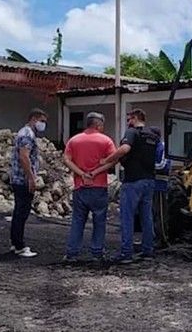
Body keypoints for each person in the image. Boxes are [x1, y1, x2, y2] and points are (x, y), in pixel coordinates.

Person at [98, 108, 159, 263]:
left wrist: (106, 160)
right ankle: (148, 249)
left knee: (127, 216)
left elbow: (125, 149)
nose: (127, 122)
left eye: (128, 119)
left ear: (134, 118)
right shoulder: (152, 136)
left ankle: (126, 252)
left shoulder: (132, 133)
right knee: (147, 216)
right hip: (149, 180)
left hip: (133, 181)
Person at [62, 112, 116, 264]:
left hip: (80, 187)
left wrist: (81, 173)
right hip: (99, 187)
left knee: (78, 221)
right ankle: (97, 253)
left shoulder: (74, 140)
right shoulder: (106, 141)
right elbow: (113, 161)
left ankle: (72, 253)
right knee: (99, 221)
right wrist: (94, 172)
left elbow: (66, 159)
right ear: (99, 125)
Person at [9, 108, 47, 258]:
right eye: (42, 121)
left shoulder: (24, 133)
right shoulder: (27, 134)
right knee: (22, 212)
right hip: (22, 179)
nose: (43, 125)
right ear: (34, 119)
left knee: (19, 212)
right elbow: (24, 157)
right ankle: (19, 246)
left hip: (19, 178)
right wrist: (31, 177)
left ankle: (15, 242)